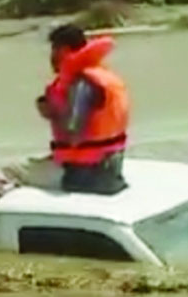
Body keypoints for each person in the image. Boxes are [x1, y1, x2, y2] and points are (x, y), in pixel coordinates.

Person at [37, 24, 130, 195]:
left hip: (82, 174)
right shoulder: (104, 76)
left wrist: (51, 113)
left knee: (8, 174)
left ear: (64, 51)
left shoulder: (81, 84)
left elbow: (73, 131)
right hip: (111, 169)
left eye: (54, 50)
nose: (51, 57)